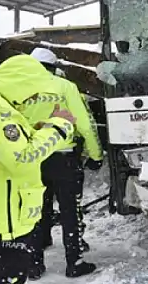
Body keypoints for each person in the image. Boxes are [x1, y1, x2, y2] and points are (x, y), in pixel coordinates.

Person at [0, 61, 77, 284]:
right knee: (6, 277)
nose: (32, 100)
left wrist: (34, 131)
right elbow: (21, 158)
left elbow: (0, 146)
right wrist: (59, 127)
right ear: (21, 84)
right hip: (4, 216)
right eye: (33, 93)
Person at [28, 48, 103, 280]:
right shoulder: (65, 87)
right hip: (63, 158)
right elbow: (85, 124)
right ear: (53, 66)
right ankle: (74, 262)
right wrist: (96, 154)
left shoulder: (20, 89)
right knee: (71, 210)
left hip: (32, 158)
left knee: (34, 210)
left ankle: (34, 264)